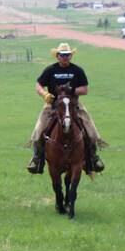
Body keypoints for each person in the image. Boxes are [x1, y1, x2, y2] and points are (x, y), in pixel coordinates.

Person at [27, 42, 105, 174]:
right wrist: (45, 94)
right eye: (62, 55)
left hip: (74, 104)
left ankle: (93, 157)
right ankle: (37, 159)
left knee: (91, 129)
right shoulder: (50, 70)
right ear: (57, 56)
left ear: (71, 56)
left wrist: (74, 90)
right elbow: (38, 85)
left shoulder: (77, 70)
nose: (65, 57)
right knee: (38, 130)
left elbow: (85, 89)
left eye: (68, 55)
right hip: (52, 105)